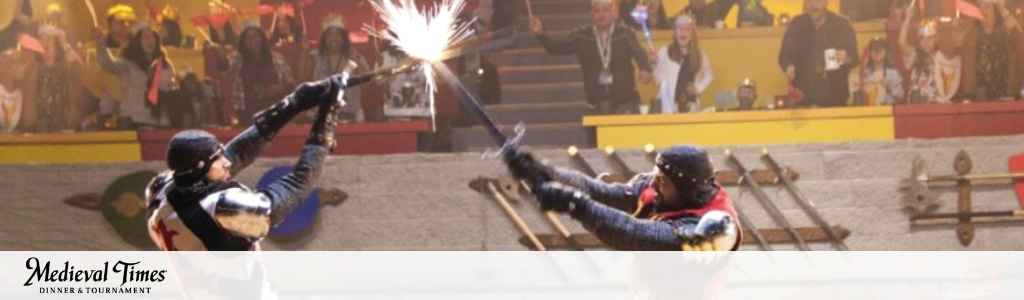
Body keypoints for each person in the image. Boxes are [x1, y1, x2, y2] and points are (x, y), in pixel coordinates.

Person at [145, 74, 347, 251]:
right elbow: (299, 183)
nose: (226, 162)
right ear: (200, 169)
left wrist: (295, 102)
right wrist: (325, 122)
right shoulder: (222, 212)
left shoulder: (165, 190)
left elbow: (237, 153)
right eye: (217, 159)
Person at [504, 144, 741, 251]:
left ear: (687, 190)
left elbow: (636, 235)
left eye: (663, 182)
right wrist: (544, 172)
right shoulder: (661, 188)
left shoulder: (715, 227)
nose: (652, 184)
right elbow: (601, 191)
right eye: (656, 176)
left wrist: (574, 204)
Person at [529, 0, 652, 115]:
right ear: (591, 13)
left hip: (626, 105)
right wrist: (541, 34)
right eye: (597, 11)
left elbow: (640, 53)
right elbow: (555, 48)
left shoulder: (625, 33)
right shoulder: (581, 36)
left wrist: (644, 69)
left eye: (605, 10)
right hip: (595, 107)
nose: (601, 15)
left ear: (612, 12)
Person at [94, 22, 177, 128]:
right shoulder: (128, 64)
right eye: (145, 38)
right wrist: (101, 46)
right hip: (133, 120)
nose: (150, 41)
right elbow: (109, 64)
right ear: (137, 41)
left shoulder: (165, 64)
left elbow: (172, 87)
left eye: (152, 37)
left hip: (159, 121)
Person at [778, 0, 859, 107]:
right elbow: (784, 56)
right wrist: (788, 66)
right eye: (809, 1)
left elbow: (854, 58)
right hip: (803, 97)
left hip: (835, 97)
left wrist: (845, 58)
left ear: (826, 3)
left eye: (818, 1)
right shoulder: (796, 25)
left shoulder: (842, 24)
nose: (813, 4)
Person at [219, 20, 295, 126]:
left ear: (263, 39)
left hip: (275, 114)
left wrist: (279, 88)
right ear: (243, 41)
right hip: (247, 117)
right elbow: (225, 69)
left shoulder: (277, 59)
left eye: (256, 36)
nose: (253, 40)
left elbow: (292, 85)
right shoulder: (238, 58)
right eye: (248, 37)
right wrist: (221, 58)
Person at [300, 16, 368, 123]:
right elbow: (302, 81)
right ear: (324, 38)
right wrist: (304, 52)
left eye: (338, 34)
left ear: (344, 38)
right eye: (329, 35)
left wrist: (356, 61)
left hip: (349, 116)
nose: (334, 38)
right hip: (319, 117)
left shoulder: (354, 56)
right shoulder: (314, 57)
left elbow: (367, 84)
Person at [961, 0, 1021, 101]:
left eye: (987, 6)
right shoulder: (972, 36)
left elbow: (1019, 37)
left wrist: (1003, 11)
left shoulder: (1006, 33)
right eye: (981, 6)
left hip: (1005, 94)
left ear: (995, 11)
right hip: (980, 95)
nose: (983, 9)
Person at [652, 15, 713, 114]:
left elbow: (709, 74)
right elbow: (657, 78)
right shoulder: (665, 52)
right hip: (669, 106)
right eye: (680, 28)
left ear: (692, 34)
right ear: (675, 32)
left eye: (687, 29)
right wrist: (655, 64)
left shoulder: (698, 55)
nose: (683, 32)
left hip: (690, 107)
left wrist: (698, 88)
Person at [31, 25, 82, 131]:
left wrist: (64, 44)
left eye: (49, 40)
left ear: (57, 45)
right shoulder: (33, 68)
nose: (44, 44)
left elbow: (80, 71)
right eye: (41, 41)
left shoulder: (66, 66)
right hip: (39, 127)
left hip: (65, 124)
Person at [900, 15, 960, 103]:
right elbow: (902, 43)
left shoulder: (941, 58)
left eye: (930, 38)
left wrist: (956, 28)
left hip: (935, 103)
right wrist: (908, 17)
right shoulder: (915, 55)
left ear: (936, 40)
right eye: (922, 39)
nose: (926, 43)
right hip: (917, 103)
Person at [852, 37, 903, 105]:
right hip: (868, 109)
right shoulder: (864, 73)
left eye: (880, 50)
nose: (877, 53)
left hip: (888, 109)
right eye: (874, 50)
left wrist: (890, 87)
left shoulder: (893, 73)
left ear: (886, 52)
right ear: (870, 53)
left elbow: (901, 95)